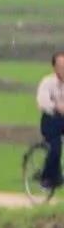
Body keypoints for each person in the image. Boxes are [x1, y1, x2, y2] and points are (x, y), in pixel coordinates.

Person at [39, 53, 64, 191]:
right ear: (54, 68)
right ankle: (46, 177)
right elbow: (42, 101)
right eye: (61, 66)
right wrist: (56, 106)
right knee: (55, 148)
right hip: (50, 121)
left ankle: (58, 175)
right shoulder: (47, 82)